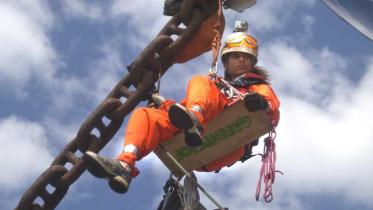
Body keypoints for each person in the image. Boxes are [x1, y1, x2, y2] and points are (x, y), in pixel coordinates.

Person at [83, 24, 280, 194]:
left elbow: (272, 107)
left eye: (246, 57)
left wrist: (263, 104)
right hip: (192, 142)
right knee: (146, 115)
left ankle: (195, 120)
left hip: (229, 141)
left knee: (200, 82)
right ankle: (125, 165)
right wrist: (158, 102)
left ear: (253, 63)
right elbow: (180, 110)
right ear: (226, 61)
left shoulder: (256, 87)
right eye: (236, 56)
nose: (242, 60)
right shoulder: (213, 87)